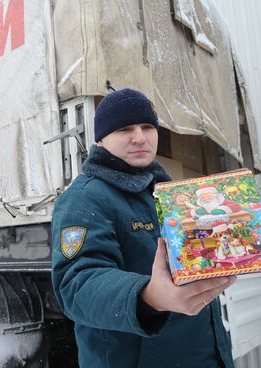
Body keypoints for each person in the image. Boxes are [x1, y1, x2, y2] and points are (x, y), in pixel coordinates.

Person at [51, 88, 236, 368]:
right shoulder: (84, 198)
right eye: (125, 129)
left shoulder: (169, 194)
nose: (140, 137)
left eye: (147, 126)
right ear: (100, 140)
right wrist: (148, 297)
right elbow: (76, 286)